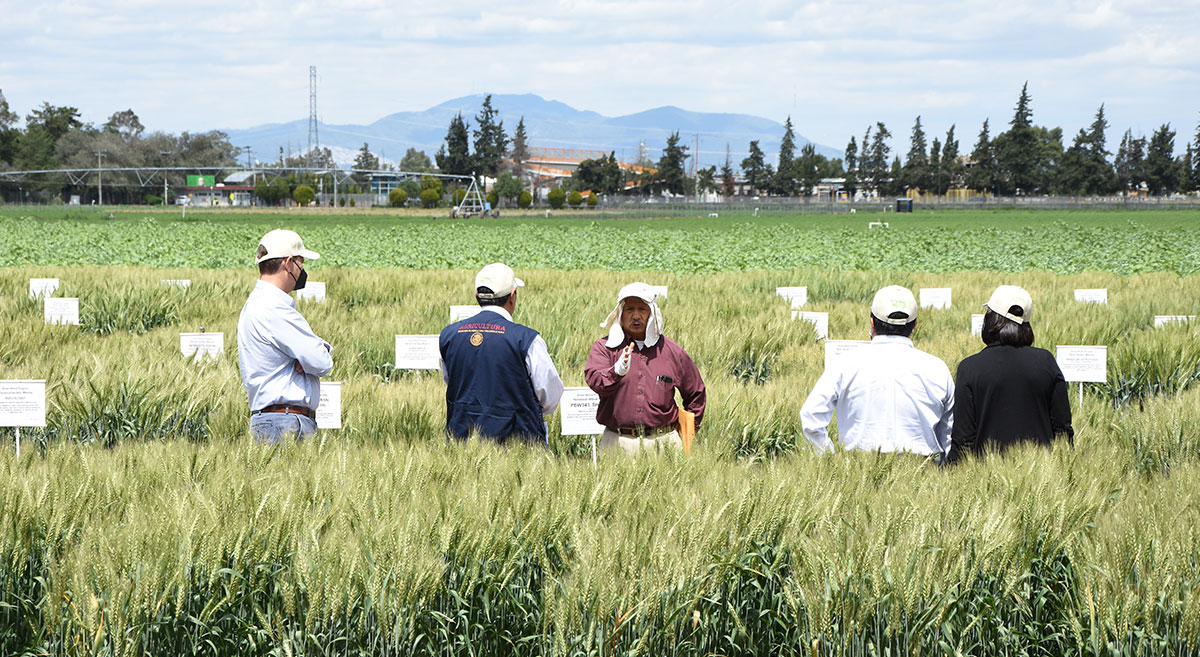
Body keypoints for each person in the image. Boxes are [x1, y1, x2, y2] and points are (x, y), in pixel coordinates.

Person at [800, 285, 954, 458]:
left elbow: (810, 417)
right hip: (925, 475)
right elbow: (949, 433)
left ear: (872, 322)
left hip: (858, 474)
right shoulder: (938, 368)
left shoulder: (844, 363)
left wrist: (829, 455)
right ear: (915, 326)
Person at [439, 263, 563, 445]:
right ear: (513, 296)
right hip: (518, 447)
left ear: (476, 296)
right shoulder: (527, 339)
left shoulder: (449, 335)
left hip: (462, 445)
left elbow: (451, 381)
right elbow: (550, 395)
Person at [948, 285, 1073, 462]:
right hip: (1043, 477)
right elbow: (1062, 430)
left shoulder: (970, 368)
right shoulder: (1046, 361)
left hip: (985, 479)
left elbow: (963, 440)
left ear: (991, 319)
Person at [584, 282, 706, 454]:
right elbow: (595, 381)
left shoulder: (673, 352)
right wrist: (616, 372)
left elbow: (696, 393)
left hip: (663, 445)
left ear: (652, 312)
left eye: (642, 309)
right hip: (617, 443)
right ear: (620, 313)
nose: (636, 316)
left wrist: (686, 433)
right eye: (629, 309)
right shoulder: (604, 348)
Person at [237, 229, 332, 444]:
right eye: (301, 262)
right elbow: (321, 362)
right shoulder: (275, 309)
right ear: (289, 263)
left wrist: (309, 355)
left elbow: (313, 356)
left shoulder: (255, 304)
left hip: (272, 420)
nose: (302, 270)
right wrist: (315, 353)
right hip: (286, 423)